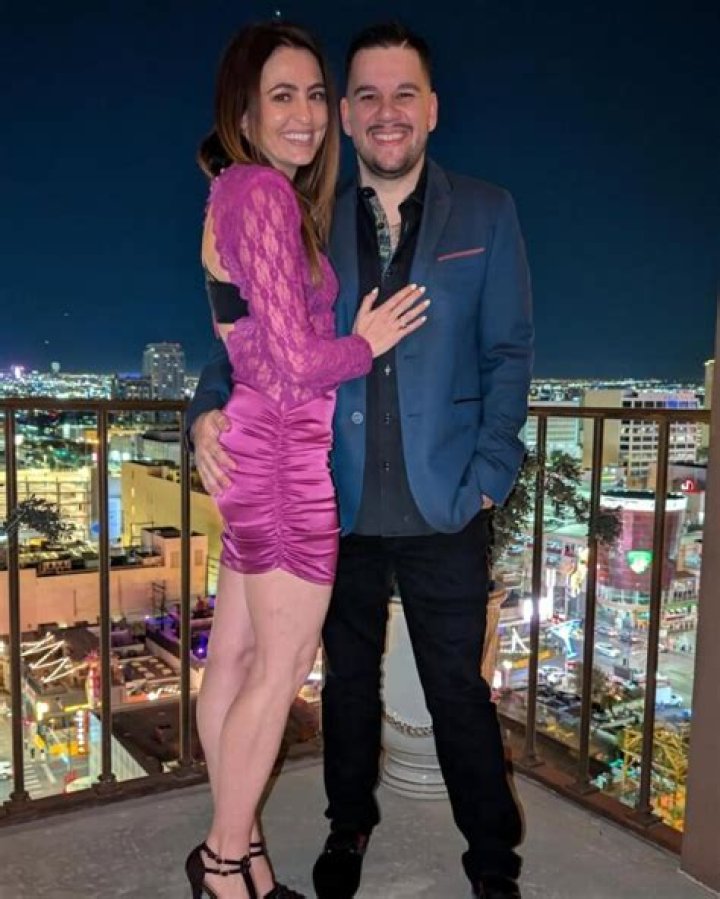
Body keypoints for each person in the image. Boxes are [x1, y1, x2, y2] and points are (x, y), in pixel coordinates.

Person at [189, 22, 533, 899]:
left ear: (432, 108)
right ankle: (345, 829)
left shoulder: (487, 211)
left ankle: (492, 860)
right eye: (367, 95)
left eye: (404, 93)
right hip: (331, 494)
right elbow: (244, 340)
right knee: (342, 683)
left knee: (457, 688)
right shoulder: (308, 211)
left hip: (443, 499)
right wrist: (202, 417)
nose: (387, 112)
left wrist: (490, 475)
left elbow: (509, 353)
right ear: (347, 114)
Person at [184, 22, 428, 899]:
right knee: (278, 669)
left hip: (258, 451)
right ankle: (223, 864)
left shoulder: (236, 191)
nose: (308, 114)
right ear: (244, 111)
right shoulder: (260, 195)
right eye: (282, 96)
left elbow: (248, 341)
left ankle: (241, 850)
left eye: (316, 95)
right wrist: (363, 342)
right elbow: (292, 361)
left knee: (237, 659)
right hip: (285, 462)